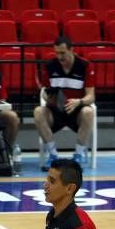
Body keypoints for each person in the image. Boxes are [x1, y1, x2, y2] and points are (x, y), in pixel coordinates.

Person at [34, 36, 96, 171]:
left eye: (62, 53)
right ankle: (53, 156)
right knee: (38, 111)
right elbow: (45, 91)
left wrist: (78, 101)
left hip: (76, 112)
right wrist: (48, 97)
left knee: (89, 111)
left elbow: (91, 97)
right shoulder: (50, 66)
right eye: (57, 53)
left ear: (71, 50)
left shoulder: (85, 66)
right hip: (56, 112)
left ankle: (78, 156)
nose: (59, 57)